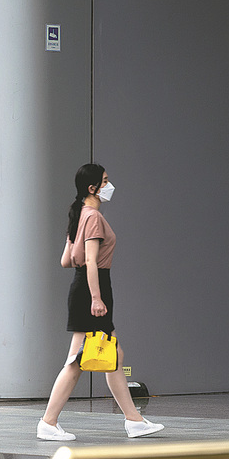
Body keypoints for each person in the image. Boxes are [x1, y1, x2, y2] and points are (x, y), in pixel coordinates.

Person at [37, 163, 165, 441]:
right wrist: (96, 298)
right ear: (92, 188)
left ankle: (134, 420)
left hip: (86, 287)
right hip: (92, 289)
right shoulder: (92, 216)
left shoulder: (80, 214)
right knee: (77, 361)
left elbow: (66, 261)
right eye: (105, 181)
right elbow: (91, 261)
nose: (109, 185)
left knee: (113, 355)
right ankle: (48, 422)